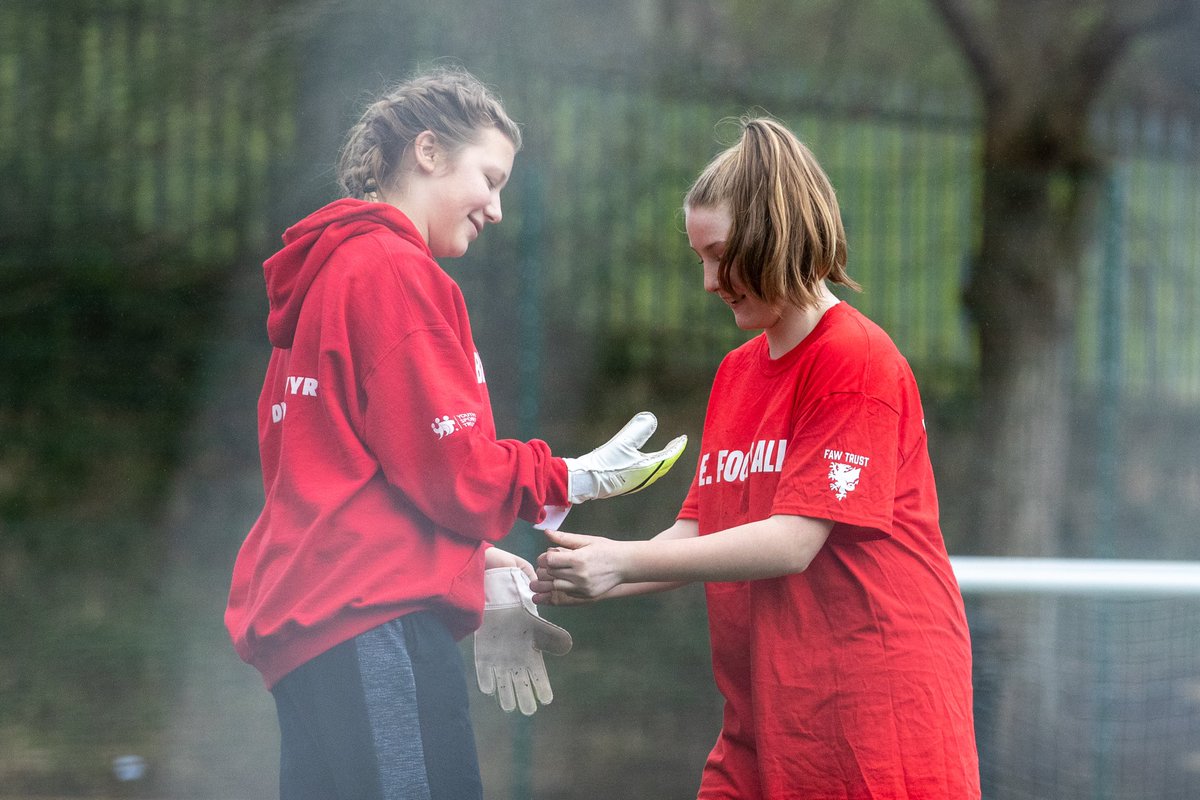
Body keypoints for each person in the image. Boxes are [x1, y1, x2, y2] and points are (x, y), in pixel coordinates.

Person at [224, 66, 685, 800]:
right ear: (429, 152)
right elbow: (453, 473)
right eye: (490, 177)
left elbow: (359, 480)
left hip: (310, 629)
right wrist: (570, 477)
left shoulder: (326, 276)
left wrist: (477, 565)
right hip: (370, 622)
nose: (497, 209)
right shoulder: (393, 270)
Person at [533, 117, 980, 799]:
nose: (710, 281)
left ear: (775, 235)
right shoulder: (737, 373)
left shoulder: (853, 359)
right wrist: (577, 576)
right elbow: (696, 535)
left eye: (720, 254)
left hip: (870, 726)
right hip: (766, 723)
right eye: (698, 258)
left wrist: (620, 563)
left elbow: (793, 541)